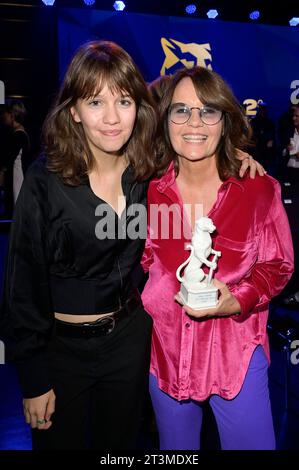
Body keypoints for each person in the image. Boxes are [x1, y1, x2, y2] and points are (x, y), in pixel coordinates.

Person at [1, 40, 156, 450]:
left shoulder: (147, 169)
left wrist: (244, 164)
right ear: (73, 111)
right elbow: (22, 284)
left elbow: (202, 147)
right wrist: (33, 378)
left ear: (138, 107)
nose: (111, 119)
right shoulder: (45, 180)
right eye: (95, 102)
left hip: (128, 342)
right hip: (60, 353)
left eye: (123, 101)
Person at [141, 66, 294, 450]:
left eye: (208, 111)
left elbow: (278, 265)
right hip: (168, 358)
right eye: (181, 111)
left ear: (225, 121)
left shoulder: (257, 189)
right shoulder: (148, 191)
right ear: (165, 120)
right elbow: (142, 259)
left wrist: (238, 297)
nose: (195, 122)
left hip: (236, 357)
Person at [1, 100, 31, 216]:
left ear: (12, 116)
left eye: (6, 113)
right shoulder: (18, 134)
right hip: (16, 175)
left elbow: (8, 159)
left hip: (16, 176)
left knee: (15, 206)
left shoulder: (19, 135)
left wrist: (2, 173)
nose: (4, 116)